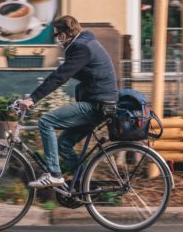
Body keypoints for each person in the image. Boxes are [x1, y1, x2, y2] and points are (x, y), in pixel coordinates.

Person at [19, 15, 118, 188]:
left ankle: (53, 174)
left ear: (63, 35)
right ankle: (85, 185)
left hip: (97, 105)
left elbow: (60, 76)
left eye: (57, 36)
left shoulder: (81, 47)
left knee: (46, 121)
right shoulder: (85, 43)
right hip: (102, 103)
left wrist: (32, 99)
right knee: (63, 144)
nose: (58, 40)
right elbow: (64, 73)